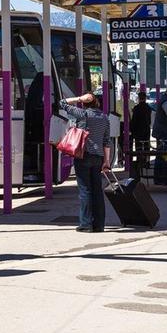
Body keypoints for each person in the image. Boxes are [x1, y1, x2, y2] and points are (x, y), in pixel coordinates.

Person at [59, 92, 112, 232]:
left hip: (83, 156)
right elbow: (107, 142)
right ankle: (99, 224)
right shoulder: (105, 118)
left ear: (84, 103)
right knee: (97, 191)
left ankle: (86, 224)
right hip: (99, 157)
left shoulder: (82, 114)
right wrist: (106, 161)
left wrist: (78, 98)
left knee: (85, 190)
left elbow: (62, 103)